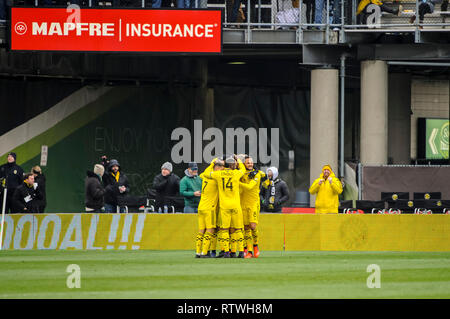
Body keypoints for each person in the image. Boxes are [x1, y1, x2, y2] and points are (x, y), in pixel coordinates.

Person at [204, 155, 246, 258]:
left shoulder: (218, 174)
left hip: (224, 206)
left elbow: (206, 173)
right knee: (238, 229)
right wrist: (238, 159)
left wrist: (213, 163)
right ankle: (240, 252)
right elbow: (243, 169)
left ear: (224, 165)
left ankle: (226, 252)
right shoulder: (236, 173)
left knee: (224, 230)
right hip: (236, 205)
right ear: (232, 165)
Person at [195, 158, 224, 258]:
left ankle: (198, 252)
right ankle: (204, 252)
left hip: (201, 206)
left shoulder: (205, 174)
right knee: (210, 230)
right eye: (222, 167)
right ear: (217, 168)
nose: (223, 169)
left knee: (201, 230)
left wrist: (213, 162)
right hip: (210, 208)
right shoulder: (216, 177)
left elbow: (203, 173)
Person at [239, 155, 267, 258]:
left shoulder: (257, 174)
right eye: (248, 162)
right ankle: (249, 251)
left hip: (254, 203)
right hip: (243, 203)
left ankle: (255, 246)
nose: (250, 164)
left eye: (251, 162)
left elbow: (250, 187)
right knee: (246, 227)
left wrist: (237, 182)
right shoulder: (241, 174)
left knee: (253, 226)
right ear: (244, 164)